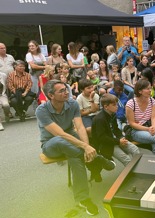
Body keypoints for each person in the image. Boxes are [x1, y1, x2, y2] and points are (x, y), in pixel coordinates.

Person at [36, 79, 115, 216]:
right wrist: (85, 146)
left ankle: (83, 199)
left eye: (66, 89)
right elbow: (59, 133)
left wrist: (87, 147)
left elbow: (79, 127)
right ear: (51, 95)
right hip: (51, 143)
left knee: (76, 158)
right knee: (61, 140)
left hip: (70, 139)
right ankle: (98, 159)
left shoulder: (72, 103)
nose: (66, 92)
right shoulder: (41, 110)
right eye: (61, 91)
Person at [125, 79, 155, 156]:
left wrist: (153, 126)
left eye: (150, 88)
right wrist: (148, 129)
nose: (150, 90)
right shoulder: (131, 104)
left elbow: (154, 117)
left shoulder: (151, 101)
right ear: (140, 91)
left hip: (149, 127)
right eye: (147, 89)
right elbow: (132, 123)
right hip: (135, 131)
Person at [92, 93, 140, 168]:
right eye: (114, 105)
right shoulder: (99, 119)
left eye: (117, 104)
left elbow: (116, 129)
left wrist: (121, 137)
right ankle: (133, 174)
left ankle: (139, 169)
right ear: (106, 107)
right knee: (126, 159)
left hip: (115, 139)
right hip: (106, 145)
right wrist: (118, 142)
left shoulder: (113, 114)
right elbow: (102, 138)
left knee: (135, 150)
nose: (117, 107)